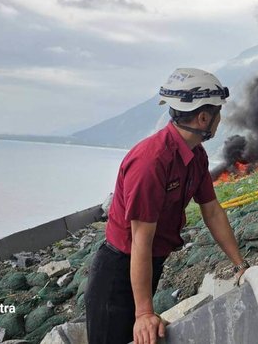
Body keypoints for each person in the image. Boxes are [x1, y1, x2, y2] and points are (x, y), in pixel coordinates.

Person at [85, 68, 249, 344]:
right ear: (204, 118)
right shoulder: (151, 162)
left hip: (148, 263)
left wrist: (240, 265)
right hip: (118, 273)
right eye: (218, 113)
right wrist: (144, 312)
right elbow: (140, 239)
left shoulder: (196, 156)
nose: (221, 119)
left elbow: (212, 211)